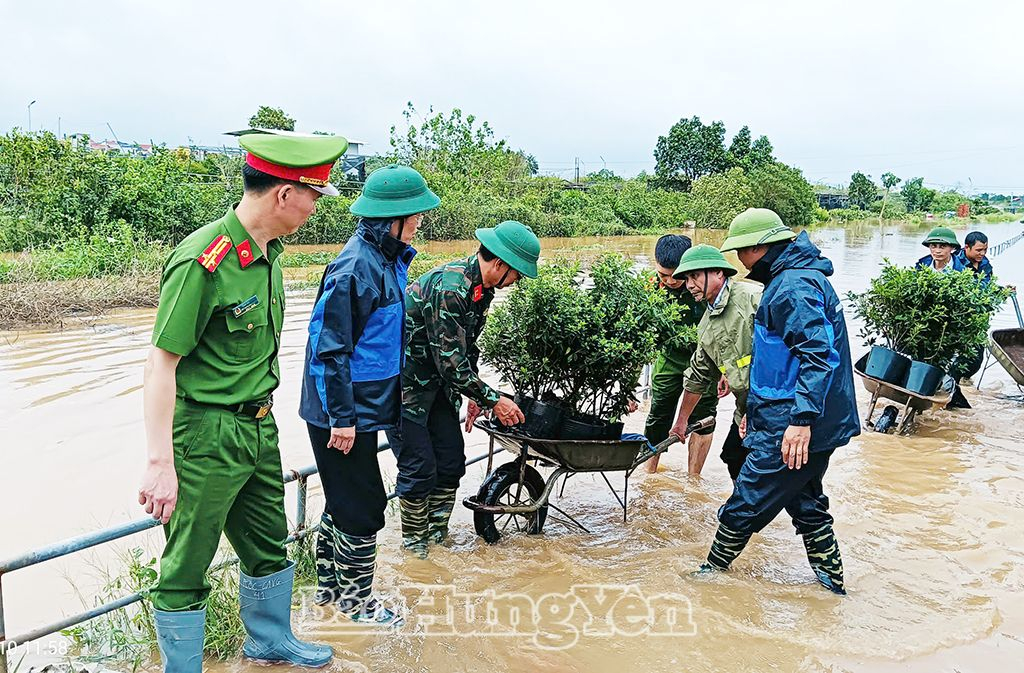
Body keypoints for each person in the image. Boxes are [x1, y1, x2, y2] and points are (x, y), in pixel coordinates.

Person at [138, 131, 348, 672]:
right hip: (206, 434)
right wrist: (161, 462)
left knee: (268, 541)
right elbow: (162, 364)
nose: (315, 208)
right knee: (187, 563)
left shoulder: (270, 256)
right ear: (284, 194)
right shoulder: (203, 261)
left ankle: (270, 640)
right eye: (314, 195)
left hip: (258, 426)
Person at [298, 165, 439, 625]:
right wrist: (342, 418)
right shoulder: (356, 267)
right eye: (415, 216)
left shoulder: (384, 260)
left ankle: (328, 589)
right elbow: (330, 348)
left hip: (357, 408)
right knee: (364, 509)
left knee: (346, 498)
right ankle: (357, 605)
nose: (419, 223)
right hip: (342, 412)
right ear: (391, 219)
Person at [698, 208, 860, 596]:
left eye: (740, 251)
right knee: (805, 499)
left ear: (758, 247)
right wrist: (753, 412)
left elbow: (817, 357)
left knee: (748, 497)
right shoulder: (799, 277)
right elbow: (778, 362)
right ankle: (832, 590)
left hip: (796, 423)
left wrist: (801, 421)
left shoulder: (792, 287)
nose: (738, 260)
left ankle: (709, 577)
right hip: (793, 416)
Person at [386, 221, 540, 558]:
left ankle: (437, 540)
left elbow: (466, 350)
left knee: (452, 462)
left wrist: (474, 395)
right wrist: (492, 399)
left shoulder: (481, 290)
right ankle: (415, 551)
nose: (515, 283)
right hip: (406, 389)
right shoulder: (452, 288)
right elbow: (450, 363)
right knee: (418, 469)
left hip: (440, 389)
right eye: (516, 274)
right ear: (500, 264)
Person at [668, 244, 761, 480]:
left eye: (695, 276)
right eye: (687, 278)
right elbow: (698, 375)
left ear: (719, 273)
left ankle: (743, 514)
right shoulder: (707, 323)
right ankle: (745, 513)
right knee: (734, 457)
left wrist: (760, 408)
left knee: (785, 482)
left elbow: (783, 357)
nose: (689, 285)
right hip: (747, 409)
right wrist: (681, 422)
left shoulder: (753, 300)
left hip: (773, 406)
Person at [643, 235, 720, 475]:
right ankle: (649, 476)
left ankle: (693, 480)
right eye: (662, 274)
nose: (667, 281)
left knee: (704, 418)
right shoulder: (651, 286)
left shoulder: (704, 286)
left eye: (674, 275)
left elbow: (723, 329)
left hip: (706, 360)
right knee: (658, 414)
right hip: (669, 360)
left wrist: (725, 370)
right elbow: (640, 333)